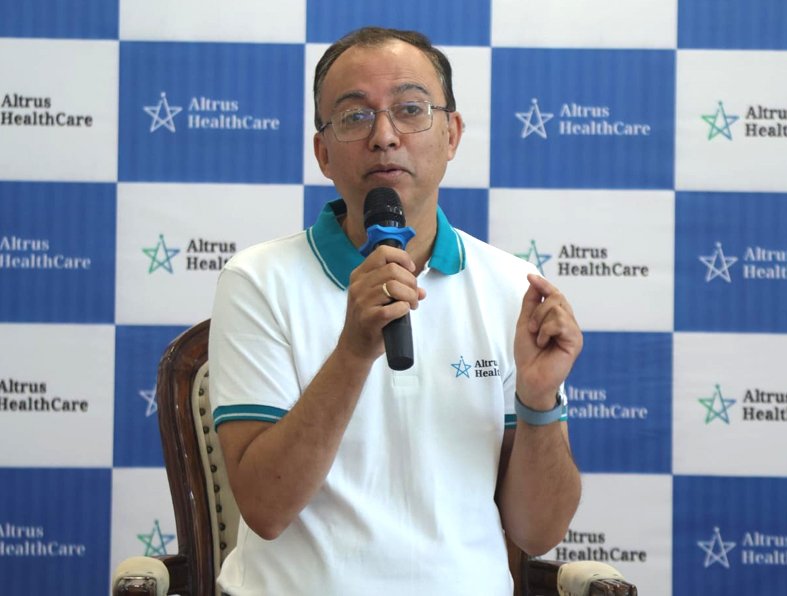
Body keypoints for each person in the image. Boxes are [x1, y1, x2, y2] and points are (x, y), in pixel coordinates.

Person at [209, 26, 582, 596]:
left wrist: (538, 401)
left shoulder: (512, 286)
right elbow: (265, 508)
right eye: (355, 116)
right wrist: (353, 351)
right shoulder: (257, 280)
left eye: (410, 110)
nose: (384, 137)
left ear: (452, 135)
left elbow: (538, 532)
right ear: (322, 153)